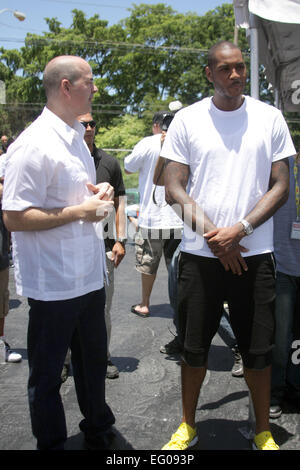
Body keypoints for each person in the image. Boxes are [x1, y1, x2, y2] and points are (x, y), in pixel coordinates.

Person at [160, 41, 295, 451]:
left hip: (254, 254)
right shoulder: (187, 120)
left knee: (258, 349)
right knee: (194, 347)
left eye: (240, 68)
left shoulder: (270, 118)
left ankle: (262, 430)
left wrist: (240, 229)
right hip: (201, 256)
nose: (235, 76)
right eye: (225, 69)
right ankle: (188, 425)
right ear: (209, 73)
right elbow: (172, 186)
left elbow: (282, 185)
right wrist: (218, 239)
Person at [2, 55, 116, 450]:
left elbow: (82, 195)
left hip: (87, 275)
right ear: (66, 87)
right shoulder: (32, 145)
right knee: (48, 376)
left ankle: (99, 426)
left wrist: (104, 193)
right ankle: (51, 443)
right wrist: (78, 212)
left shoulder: (75, 137)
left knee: (92, 365)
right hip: (53, 284)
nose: (95, 89)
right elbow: (14, 216)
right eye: (90, 81)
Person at [77, 112, 126, 379]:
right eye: (83, 123)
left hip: (104, 246)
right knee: (68, 305)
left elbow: (120, 204)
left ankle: (103, 357)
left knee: (103, 306)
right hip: (71, 246)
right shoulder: (66, 161)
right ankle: (64, 361)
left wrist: (121, 239)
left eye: (92, 123)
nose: (88, 127)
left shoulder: (108, 162)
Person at [124, 111, 183, 318]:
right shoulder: (185, 142)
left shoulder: (147, 143)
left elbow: (128, 167)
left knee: (148, 263)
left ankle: (145, 303)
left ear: (156, 125)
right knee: (177, 268)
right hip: (180, 216)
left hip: (152, 218)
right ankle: (180, 309)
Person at [270, 152, 300, 418]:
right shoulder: (283, 166)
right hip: (282, 266)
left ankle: (295, 387)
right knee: (280, 337)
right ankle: (274, 392)